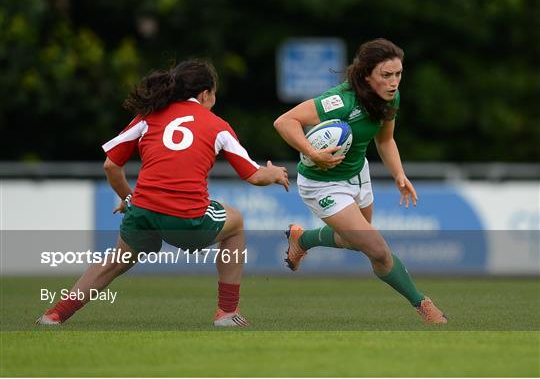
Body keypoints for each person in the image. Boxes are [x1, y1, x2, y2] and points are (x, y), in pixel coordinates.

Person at [36, 59, 289, 327]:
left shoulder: (148, 116)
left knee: (114, 262)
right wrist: (273, 173)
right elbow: (254, 175)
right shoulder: (217, 125)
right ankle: (226, 313)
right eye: (214, 93)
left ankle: (54, 315)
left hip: (143, 212)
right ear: (205, 94)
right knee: (236, 222)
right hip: (187, 219)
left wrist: (128, 198)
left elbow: (111, 165)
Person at [273, 38, 447, 323]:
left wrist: (399, 174)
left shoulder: (392, 98)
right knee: (377, 249)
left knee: (354, 241)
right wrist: (312, 153)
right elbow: (284, 122)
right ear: (367, 75)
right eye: (386, 75)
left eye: (398, 74)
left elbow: (385, 139)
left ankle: (301, 238)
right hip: (322, 183)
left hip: (358, 175)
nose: (394, 82)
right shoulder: (341, 100)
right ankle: (424, 305)